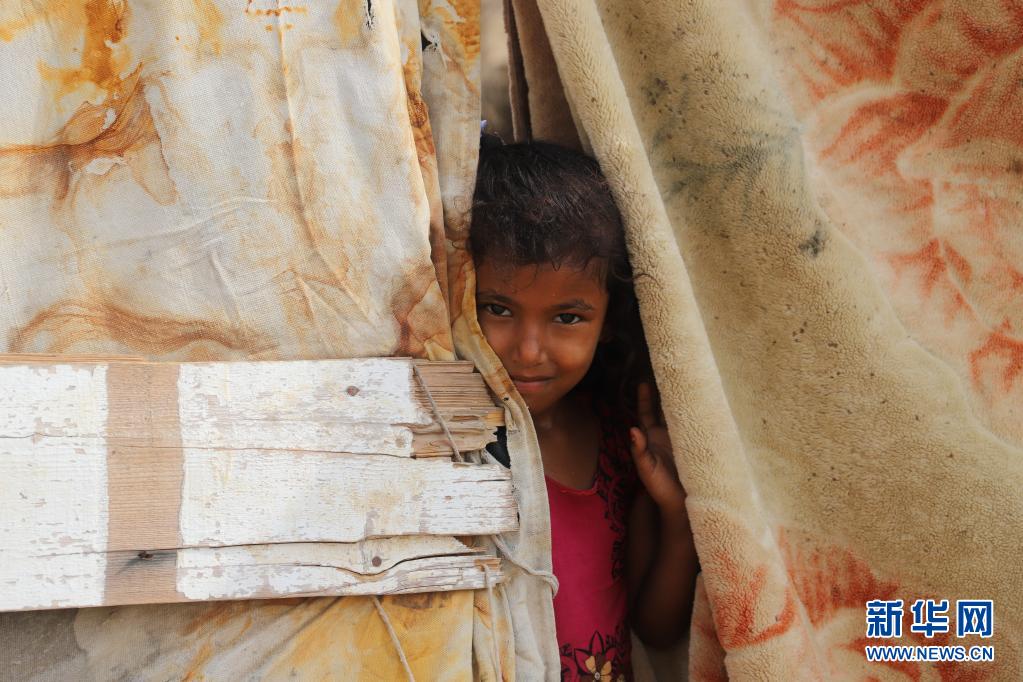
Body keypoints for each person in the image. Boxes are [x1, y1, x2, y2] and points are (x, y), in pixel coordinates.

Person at [471, 136, 698, 680]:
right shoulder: (454, 445)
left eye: (567, 318)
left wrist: (676, 516)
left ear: (608, 321)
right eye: (497, 308)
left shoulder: (619, 442)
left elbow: (657, 628)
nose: (529, 351)